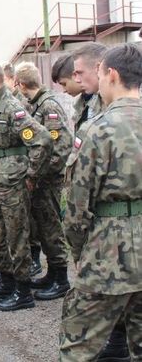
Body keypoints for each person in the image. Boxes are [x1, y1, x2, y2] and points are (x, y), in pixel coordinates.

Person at [59, 43, 142, 361]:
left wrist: (78, 251)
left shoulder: (98, 128)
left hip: (108, 252)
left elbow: (77, 205)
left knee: (79, 345)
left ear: (113, 75)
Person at [0, 61, 52, 312]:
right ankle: (7, 279)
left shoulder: (11, 107)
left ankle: (23, 290)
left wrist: (31, 175)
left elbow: (43, 140)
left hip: (13, 181)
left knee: (17, 236)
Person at [14, 62, 72, 300]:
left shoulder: (48, 105)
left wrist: (40, 174)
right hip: (40, 179)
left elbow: (60, 146)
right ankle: (52, 274)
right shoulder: (37, 103)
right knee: (43, 228)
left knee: (51, 228)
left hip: (48, 180)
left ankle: (61, 279)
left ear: (20, 84)